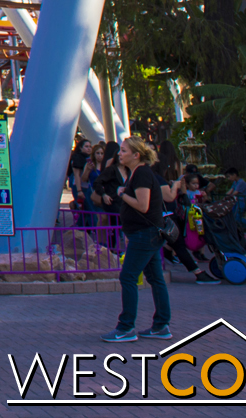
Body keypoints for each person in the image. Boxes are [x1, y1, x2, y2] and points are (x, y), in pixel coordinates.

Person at [103, 136, 176, 344]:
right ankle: (161, 325)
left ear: (136, 155)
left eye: (124, 150)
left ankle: (126, 327)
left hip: (145, 234)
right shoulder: (137, 173)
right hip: (146, 233)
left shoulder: (142, 174)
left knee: (128, 277)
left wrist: (122, 194)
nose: (120, 154)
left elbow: (142, 205)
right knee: (155, 278)